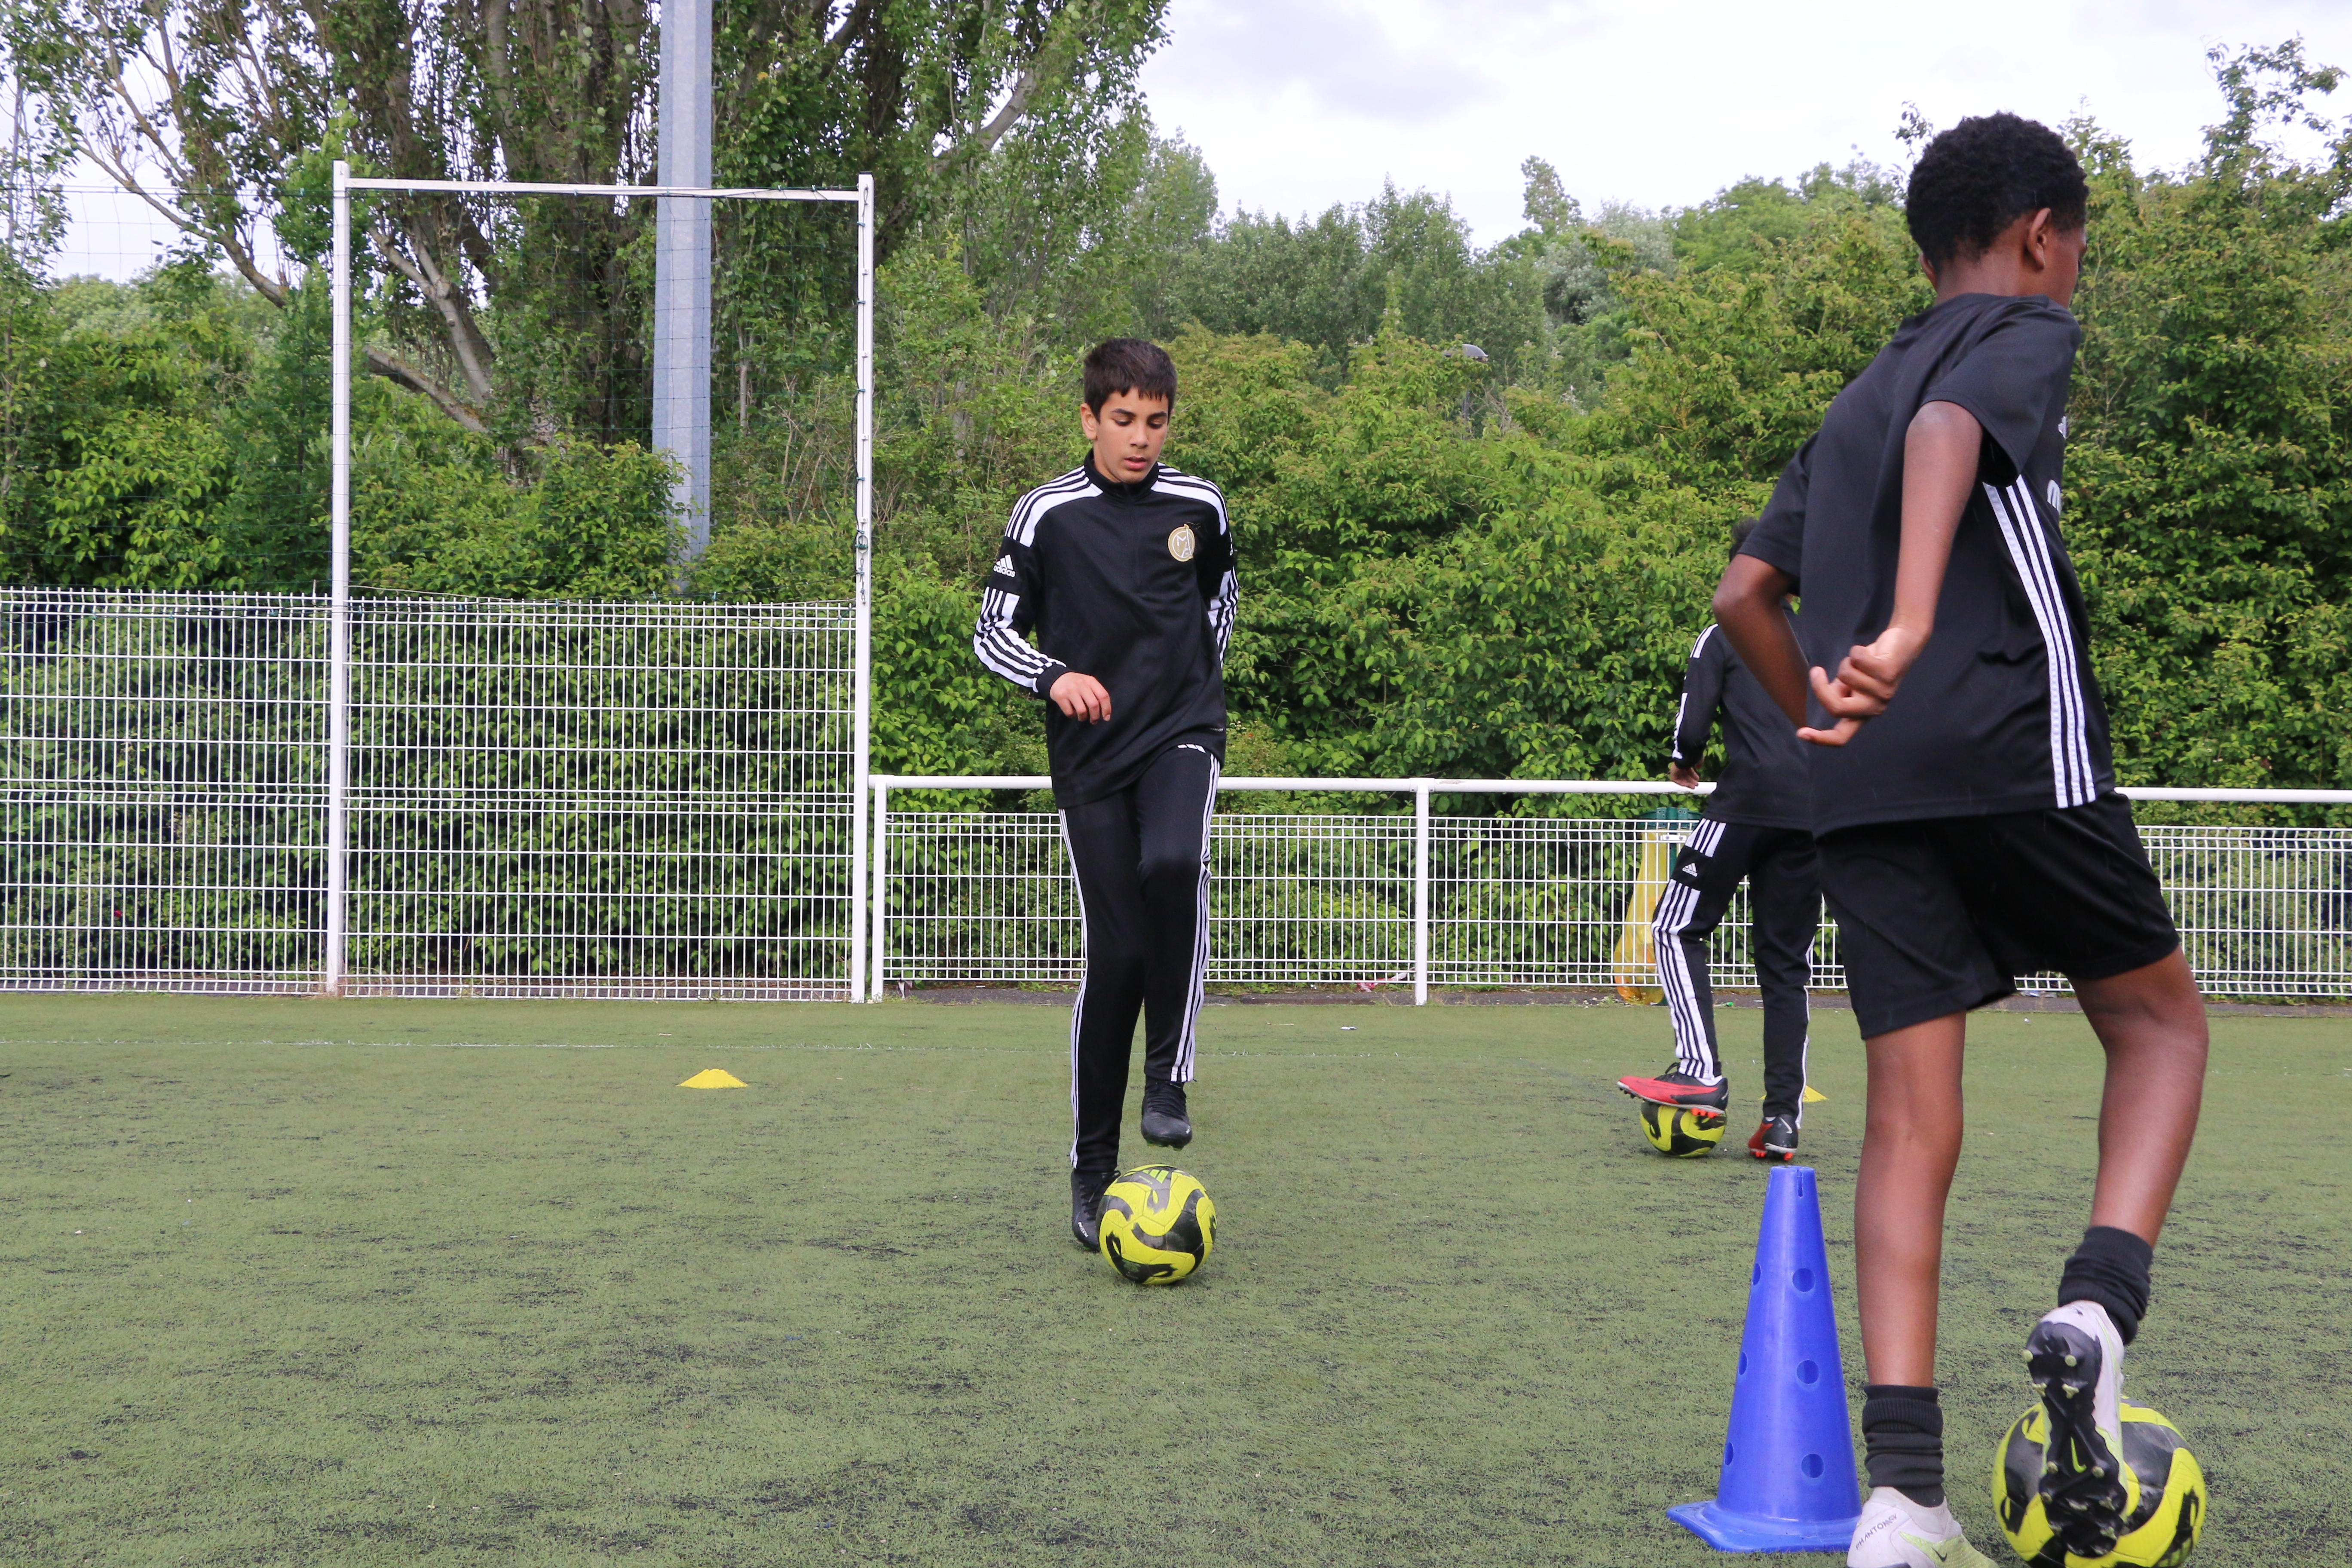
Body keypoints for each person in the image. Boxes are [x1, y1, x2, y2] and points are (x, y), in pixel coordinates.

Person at [1712, 115, 2207, 1568]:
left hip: (1857, 784)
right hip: (2008, 742)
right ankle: (2094, 1309)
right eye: (2082, 252)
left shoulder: (1856, 390)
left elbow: (1748, 586)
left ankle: (1899, 1497)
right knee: (2160, 1025)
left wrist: (1825, 694)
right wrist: (1916, 625)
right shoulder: (2023, 330)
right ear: (2043, 234)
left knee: (1911, 1118)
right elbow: (1954, 435)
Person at [971, 338, 1240, 1252]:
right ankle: (1092, 1171)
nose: (1141, 438)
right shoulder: (1046, 514)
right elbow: (991, 632)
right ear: (1089, 419)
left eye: (1156, 422)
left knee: (1175, 860)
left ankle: (1169, 1074)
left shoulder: (1199, 505)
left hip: (1181, 733)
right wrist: (1053, 676)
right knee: (1117, 959)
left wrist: (1193, 688)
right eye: (1123, 421)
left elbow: (1220, 602)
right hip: (1090, 755)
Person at [1617, 520, 1820, 1163]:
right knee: (1786, 964)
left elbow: (1693, 717)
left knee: (1674, 927)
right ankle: (1783, 1119)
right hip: (1815, 816)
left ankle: (1699, 1068)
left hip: (1746, 804)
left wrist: (1684, 760)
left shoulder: (1727, 631)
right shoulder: (1826, 637)